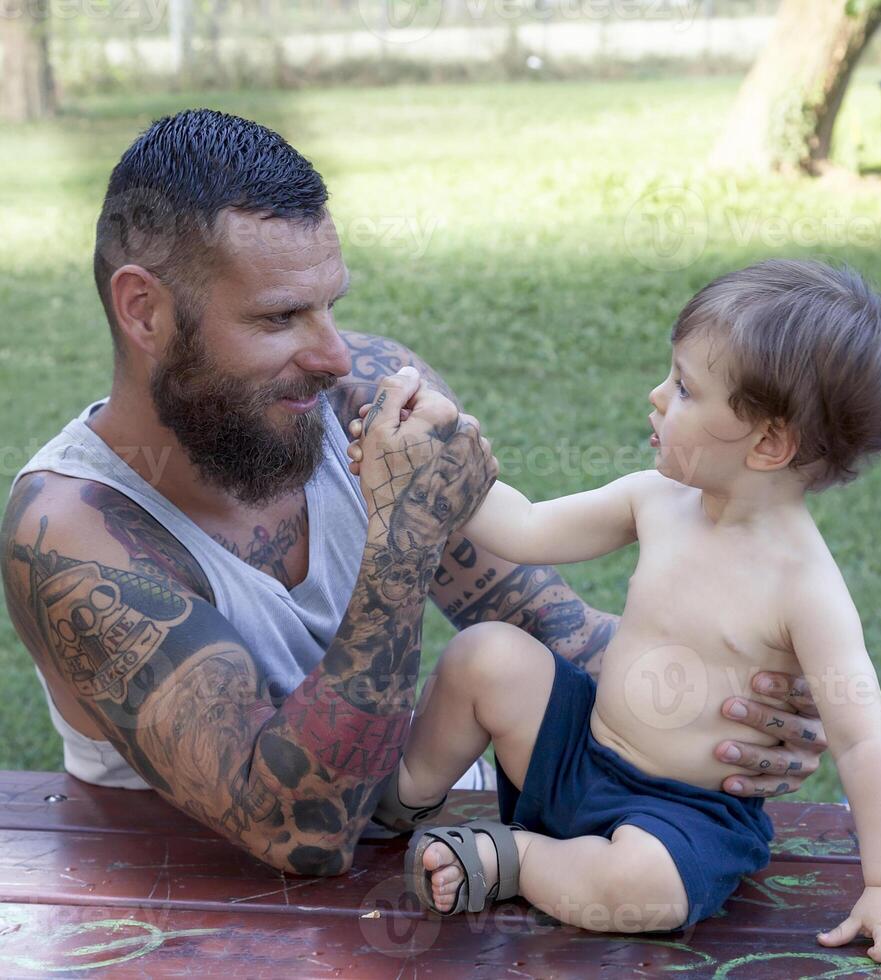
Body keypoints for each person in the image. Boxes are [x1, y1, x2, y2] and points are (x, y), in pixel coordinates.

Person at [1, 109, 828, 878]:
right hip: (187, 904)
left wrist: (736, 707)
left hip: (419, 853)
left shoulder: (359, 392)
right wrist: (400, 541)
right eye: (279, 317)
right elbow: (303, 833)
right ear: (144, 311)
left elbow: (551, 630)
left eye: (331, 305)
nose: (331, 353)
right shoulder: (71, 532)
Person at [352, 260, 881, 972]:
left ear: (768, 443)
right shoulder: (657, 500)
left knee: (645, 890)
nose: (656, 395)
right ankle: (400, 798)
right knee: (487, 654)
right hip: (577, 755)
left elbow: (866, 743)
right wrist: (440, 459)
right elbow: (523, 527)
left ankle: (517, 860)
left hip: (682, 819)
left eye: (684, 388)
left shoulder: (805, 589)